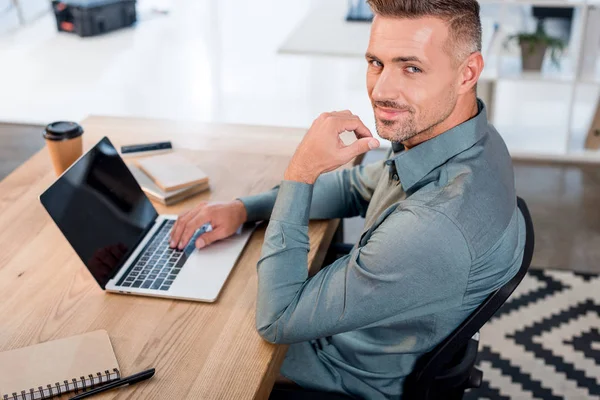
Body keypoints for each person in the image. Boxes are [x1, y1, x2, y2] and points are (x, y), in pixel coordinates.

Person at [170, 0, 526, 398]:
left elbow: (277, 320)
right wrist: (243, 209)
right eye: (376, 62)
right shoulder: (466, 138)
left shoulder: (433, 224)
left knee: (177, 340)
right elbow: (356, 187)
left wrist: (300, 173)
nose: (382, 90)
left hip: (337, 376)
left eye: (411, 68)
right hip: (360, 330)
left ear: (468, 72)